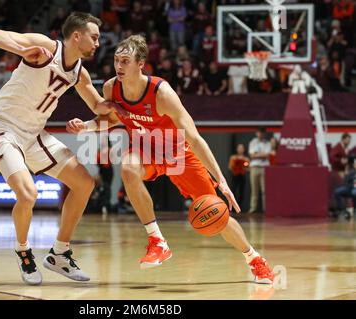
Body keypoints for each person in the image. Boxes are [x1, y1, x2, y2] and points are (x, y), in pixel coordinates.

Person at [66, 35, 274, 283]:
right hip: (145, 149)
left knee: (218, 215)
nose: (119, 66)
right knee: (128, 170)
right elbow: (112, 120)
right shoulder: (112, 88)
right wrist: (86, 127)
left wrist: (222, 181)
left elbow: (196, 139)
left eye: (125, 61)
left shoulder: (161, 93)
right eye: (116, 61)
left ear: (141, 63)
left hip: (178, 153)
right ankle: (157, 240)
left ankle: (254, 258)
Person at [0, 12, 114, 285]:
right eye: (94, 37)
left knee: (85, 183)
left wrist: (125, 103)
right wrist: (21, 49)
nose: (98, 43)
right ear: (76, 36)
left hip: (33, 134)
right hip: (2, 127)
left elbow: (101, 109)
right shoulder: (46, 47)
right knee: (28, 195)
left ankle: (59, 254)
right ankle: (22, 250)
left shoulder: (79, 73)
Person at [248, 128, 271, 214]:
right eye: (259, 132)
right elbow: (252, 155)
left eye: (262, 133)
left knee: (265, 190)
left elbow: (267, 155)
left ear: (264, 134)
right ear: (257, 133)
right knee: (254, 189)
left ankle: (266, 209)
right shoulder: (253, 142)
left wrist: (257, 154)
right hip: (254, 167)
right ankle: (253, 208)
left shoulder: (267, 143)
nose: (261, 134)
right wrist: (261, 155)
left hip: (264, 168)